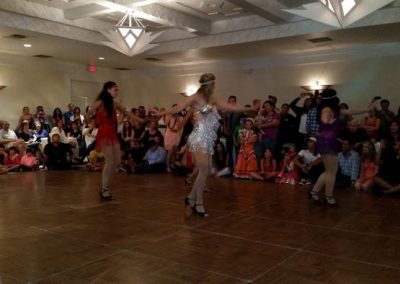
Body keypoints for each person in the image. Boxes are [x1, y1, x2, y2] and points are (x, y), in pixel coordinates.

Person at [158, 73, 253, 216]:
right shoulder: (195, 97)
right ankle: (198, 203)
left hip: (208, 137)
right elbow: (178, 108)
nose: (214, 87)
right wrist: (161, 113)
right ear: (207, 85)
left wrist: (248, 109)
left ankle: (191, 198)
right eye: (213, 84)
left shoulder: (213, 99)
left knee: (206, 170)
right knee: (203, 169)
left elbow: (230, 107)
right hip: (198, 135)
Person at [308, 89, 378, 206]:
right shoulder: (326, 109)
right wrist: (332, 119)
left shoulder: (333, 109)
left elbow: (351, 111)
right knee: (332, 171)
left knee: (329, 171)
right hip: (327, 141)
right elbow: (324, 120)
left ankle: (314, 193)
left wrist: (367, 109)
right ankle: (328, 197)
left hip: (327, 140)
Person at [88, 81, 140, 200]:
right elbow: (89, 113)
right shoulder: (100, 103)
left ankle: (105, 187)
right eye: (115, 89)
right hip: (104, 132)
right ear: (108, 90)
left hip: (112, 132)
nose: (117, 91)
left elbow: (127, 113)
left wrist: (140, 120)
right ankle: (104, 189)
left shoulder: (114, 104)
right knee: (110, 162)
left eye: (117, 89)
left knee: (117, 162)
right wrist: (90, 122)